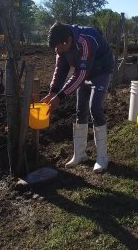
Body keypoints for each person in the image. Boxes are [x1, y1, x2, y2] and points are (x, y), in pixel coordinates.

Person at [41, 22, 114, 173]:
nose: (58, 51)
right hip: (84, 71)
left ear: (68, 40)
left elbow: (81, 74)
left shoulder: (86, 40)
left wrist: (60, 96)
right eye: (56, 49)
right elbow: (60, 69)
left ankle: (102, 157)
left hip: (101, 71)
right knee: (80, 110)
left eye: (60, 48)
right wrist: (53, 91)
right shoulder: (61, 46)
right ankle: (80, 154)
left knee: (95, 108)